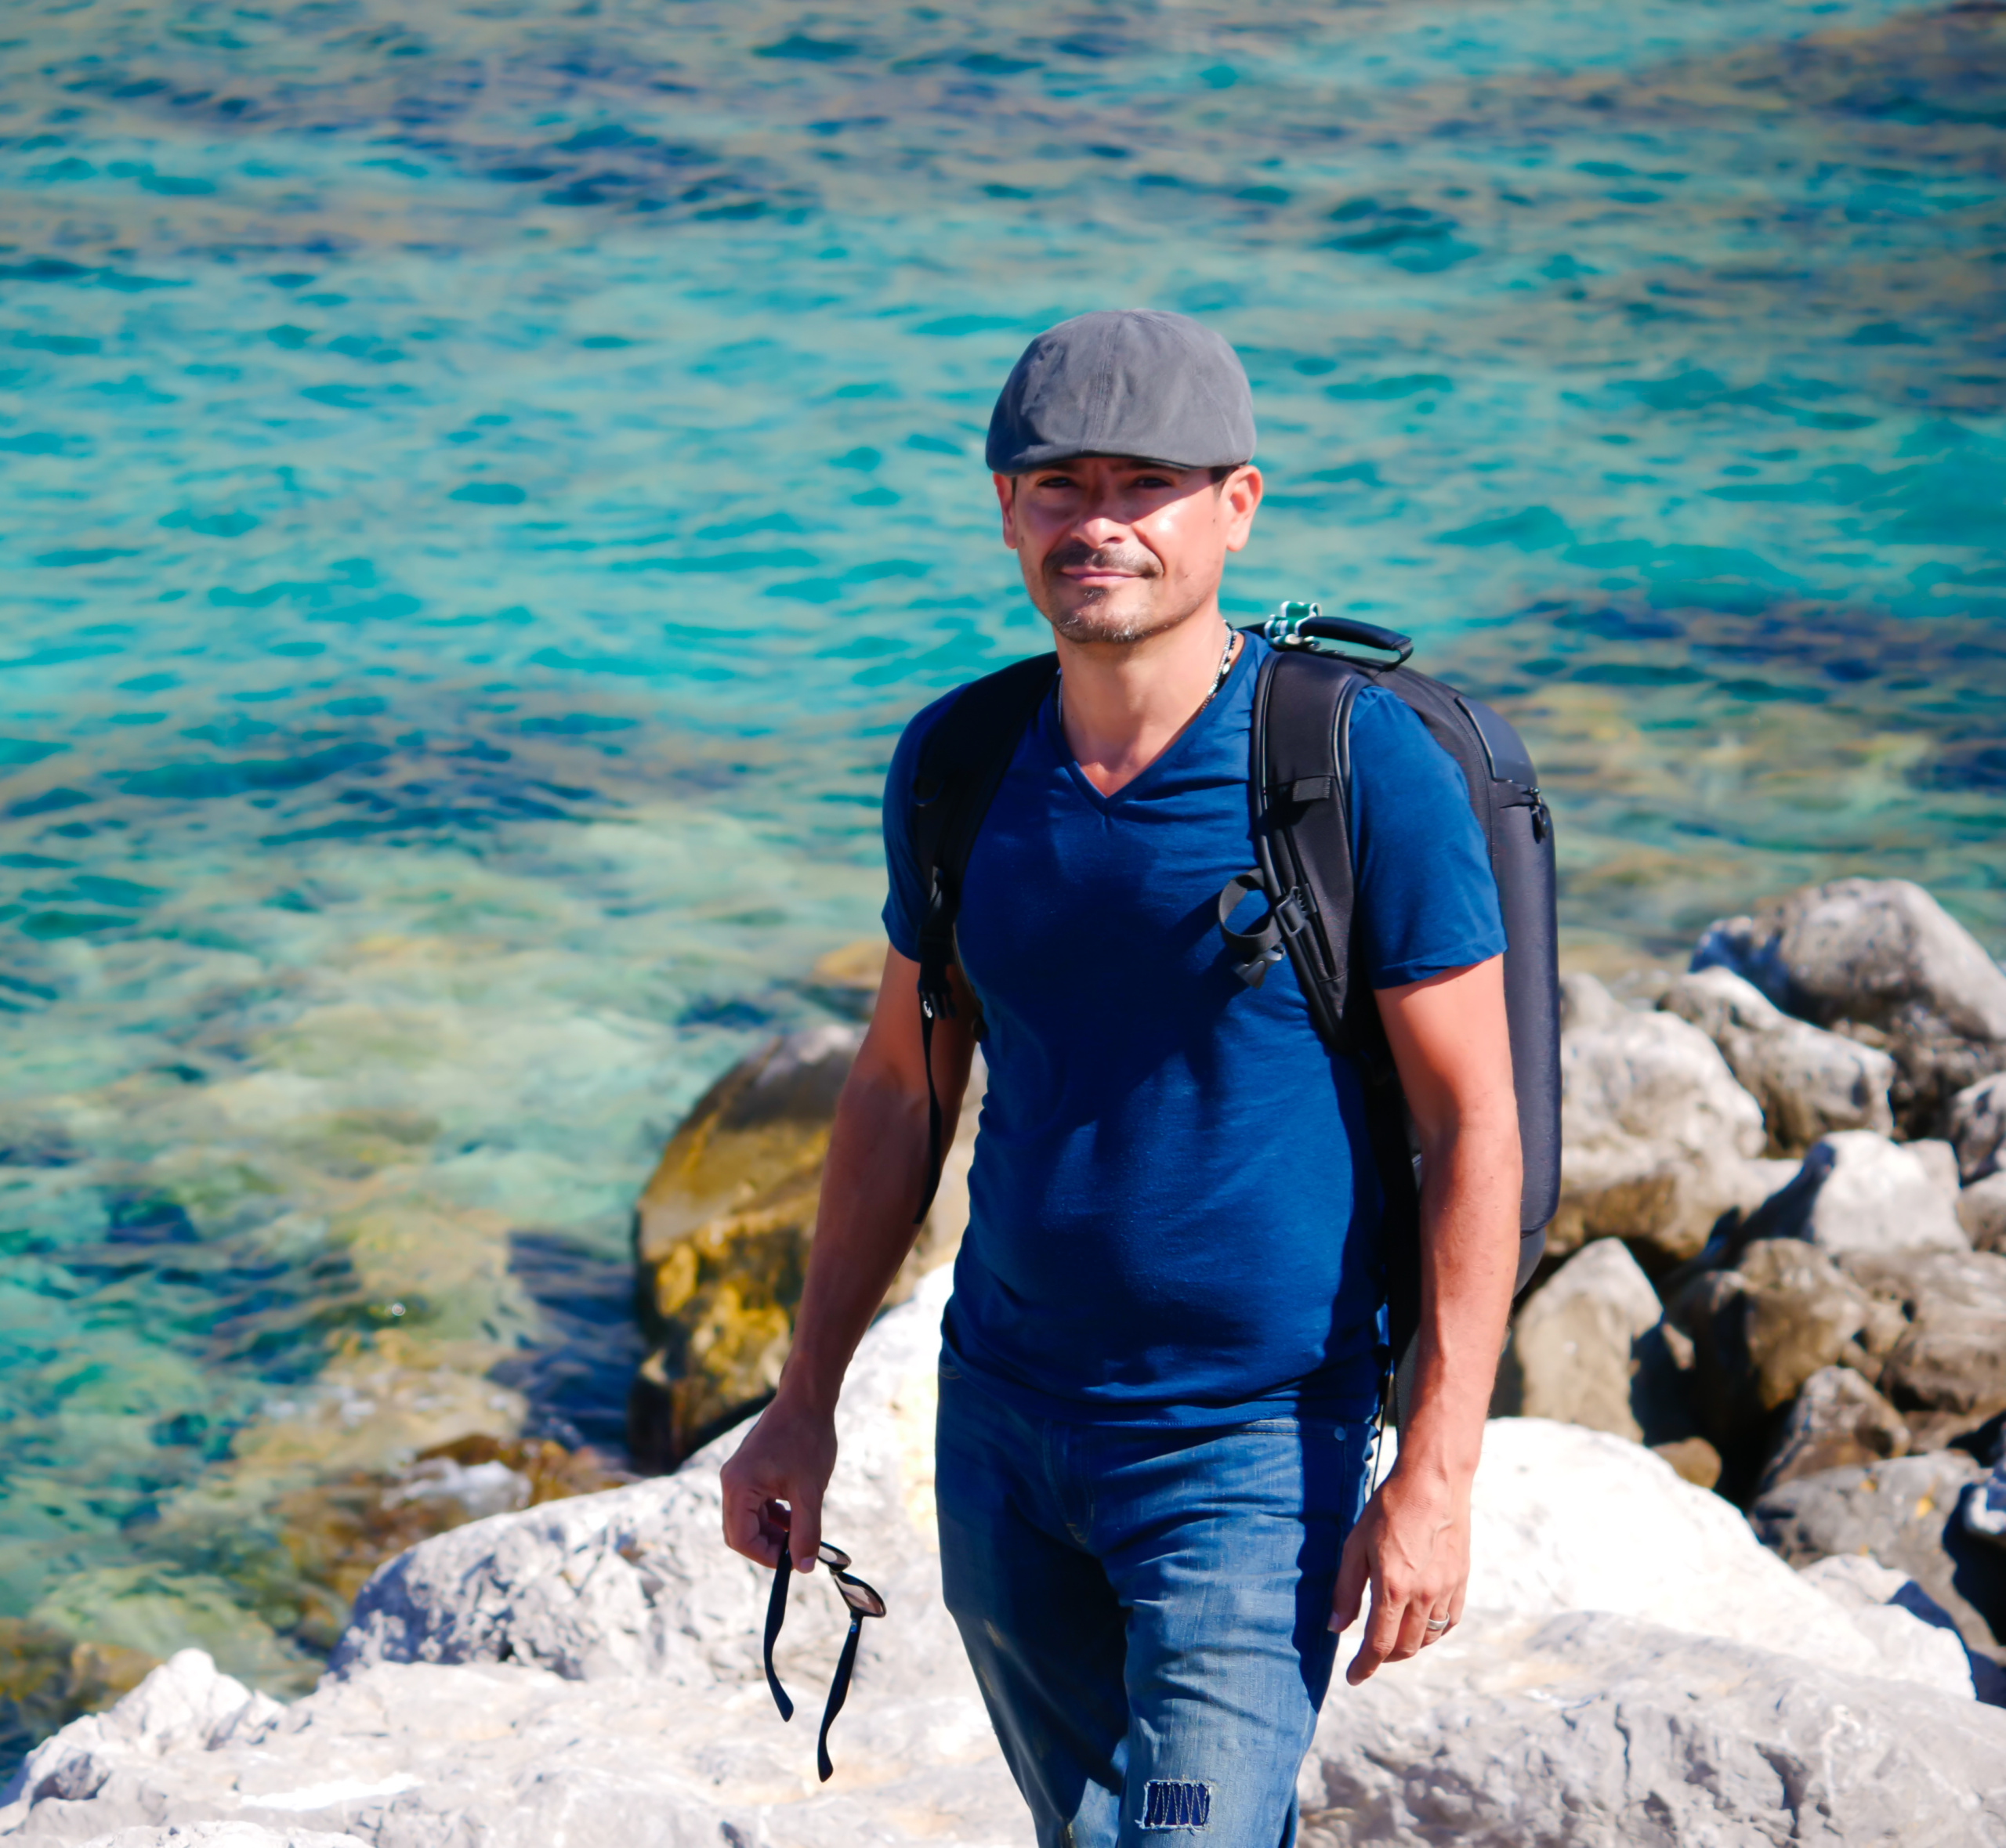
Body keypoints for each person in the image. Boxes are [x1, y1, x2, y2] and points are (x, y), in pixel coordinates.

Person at [722, 309, 1523, 1846]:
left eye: (1141, 485)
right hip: (1005, 1426)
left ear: (1234, 504)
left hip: (1249, 1446)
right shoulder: (957, 764)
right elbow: (897, 1092)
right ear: (1004, 509)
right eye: (1055, 484)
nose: (1096, 523)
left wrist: (1435, 1468)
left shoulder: (1351, 773)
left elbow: (1470, 1125)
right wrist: (798, 1404)